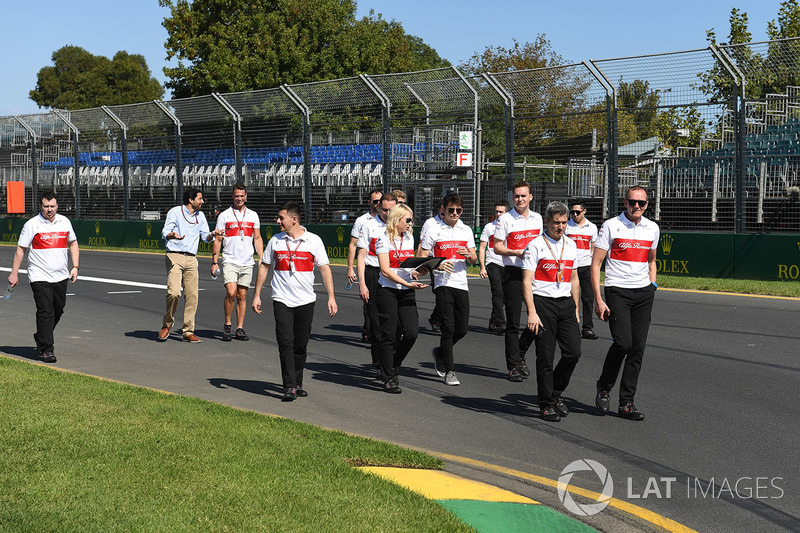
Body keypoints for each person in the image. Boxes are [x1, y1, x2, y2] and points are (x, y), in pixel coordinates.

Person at [252, 202, 338, 401]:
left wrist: (331, 297)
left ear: (294, 219)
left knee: (300, 344)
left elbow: (325, 269)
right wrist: (256, 295)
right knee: (285, 342)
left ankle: (297, 382)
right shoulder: (275, 241)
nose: (278, 221)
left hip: (306, 300)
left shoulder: (313, 241)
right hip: (281, 299)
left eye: (281, 218)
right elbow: (264, 267)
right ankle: (289, 386)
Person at [591, 186, 659, 421]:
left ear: (647, 204)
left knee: (637, 348)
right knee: (623, 343)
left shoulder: (652, 228)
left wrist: (652, 286)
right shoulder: (611, 225)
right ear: (625, 202)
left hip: (643, 293)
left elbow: (652, 260)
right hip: (617, 291)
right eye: (632, 202)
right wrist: (598, 299)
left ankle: (626, 403)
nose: (636, 206)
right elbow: (596, 264)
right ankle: (604, 386)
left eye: (641, 203)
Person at [521, 202, 582, 422]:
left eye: (564, 222)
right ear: (547, 221)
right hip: (543, 303)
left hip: (565, 304)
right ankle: (545, 403)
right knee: (545, 357)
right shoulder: (535, 245)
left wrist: (575, 307)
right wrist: (532, 312)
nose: (561, 227)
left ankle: (555, 393)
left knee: (573, 352)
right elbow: (526, 282)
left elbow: (574, 278)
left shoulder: (572, 245)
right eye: (556, 222)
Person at [8, 191, 79, 363]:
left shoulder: (65, 222)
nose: (49, 210)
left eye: (52, 206)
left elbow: (73, 243)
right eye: (46, 206)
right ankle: (47, 349)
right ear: (41, 206)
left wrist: (75, 267)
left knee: (58, 309)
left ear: (57, 206)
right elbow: (21, 249)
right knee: (45, 311)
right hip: (39, 276)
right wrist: (14, 273)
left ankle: (41, 335)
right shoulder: (32, 224)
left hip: (61, 275)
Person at [419, 193, 477, 386]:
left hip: (461, 283)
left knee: (462, 329)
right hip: (443, 283)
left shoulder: (466, 230)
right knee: (448, 328)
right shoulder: (434, 228)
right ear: (443, 210)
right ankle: (450, 371)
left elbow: (474, 260)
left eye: (458, 210)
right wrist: (438, 265)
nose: (454, 214)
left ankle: (440, 352)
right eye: (451, 210)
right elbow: (423, 257)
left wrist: (468, 254)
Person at [159, 188, 225, 343]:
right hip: (174, 255)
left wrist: (213, 234)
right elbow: (165, 232)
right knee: (174, 292)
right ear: (191, 200)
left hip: (192, 259)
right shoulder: (175, 212)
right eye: (200, 199)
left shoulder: (200, 216)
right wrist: (172, 235)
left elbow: (205, 237)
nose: (202, 201)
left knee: (192, 296)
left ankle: (188, 331)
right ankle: (167, 325)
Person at [375, 204, 428, 393]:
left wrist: (417, 273)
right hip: (388, 290)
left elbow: (407, 265)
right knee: (389, 334)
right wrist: (407, 284)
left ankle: (393, 363)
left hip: (407, 289)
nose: (410, 223)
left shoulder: (409, 238)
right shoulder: (382, 239)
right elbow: (385, 270)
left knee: (412, 332)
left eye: (411, 220)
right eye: (407, 220)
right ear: (396, 220)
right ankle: (388, 377)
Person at [493, 181, 543, 382]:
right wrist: (517, 252)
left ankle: (520, 352)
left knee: (539, 317)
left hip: (535, 273)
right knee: (513, 322)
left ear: (530, 197)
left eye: (523, 196)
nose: (520, 199)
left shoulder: (538, 219)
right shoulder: (505, 219)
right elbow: (497, 247)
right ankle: (513, 366)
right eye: (516, 196)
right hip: (513, 272)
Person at [211, 183, 263, 341]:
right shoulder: (224, 215)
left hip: (247, 261)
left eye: (242, 196)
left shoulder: (253, 215)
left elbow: (257, 238)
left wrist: (261, 258)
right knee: (231, 293)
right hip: (230, 259)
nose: (239, 198)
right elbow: (218, 240)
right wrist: (214, 261)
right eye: (236, 196)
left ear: (246, 196)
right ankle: (227, 324)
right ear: (232, 197)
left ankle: (240, 328)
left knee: (242, 295)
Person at [356, 193, 397, 375]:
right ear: (379, 208)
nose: (388, 213)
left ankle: (390, 359)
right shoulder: (368, 225)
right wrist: (362, 284)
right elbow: (361, 256)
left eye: (391, 210)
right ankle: (380, 363)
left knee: (396, 323)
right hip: (373, 272)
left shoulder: (401, 225)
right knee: (375, 320)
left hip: (393, 273)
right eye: (384, 209)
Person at [347, 189, 382, 342]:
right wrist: (350, 268)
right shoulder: (362, 221)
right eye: (375, 201)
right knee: (369, 300)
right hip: (368, 265)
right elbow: (353, 244)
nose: (378, 204)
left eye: (380, 201)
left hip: (384, 267)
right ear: (369, 203)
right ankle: (368, 330)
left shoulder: (389, 220)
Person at [565, 200, 599, 340]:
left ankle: (587, 328)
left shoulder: (592, 227)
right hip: (570, 266)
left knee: (588, 298)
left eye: (577, 212)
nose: (574, 215)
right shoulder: (567, 226)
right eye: (572, 212)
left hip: (585, 266)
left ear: (584, 211)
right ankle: (570, 326)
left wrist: (592, 263)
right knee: (570, 297)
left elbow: (593, 247)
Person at [479, 201, 508, 335]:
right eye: (496, 211)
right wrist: (482, 267)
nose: (498, 214)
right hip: (493, 263)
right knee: (497, 292)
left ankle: (493, 321)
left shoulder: (511, 227)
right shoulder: (489, 227)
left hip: (507, 264)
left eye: (501, 212)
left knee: (504, 296)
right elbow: (482, 248)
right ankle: (501, 323)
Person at [417, 200, 445, 332]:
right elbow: (421, 243)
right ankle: (438, 319)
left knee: (447, 291)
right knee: (439, 290)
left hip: (448, 260)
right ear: (440, 208)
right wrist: (418, 263)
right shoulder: (430, 223)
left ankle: (436, 317)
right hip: (433, 258)